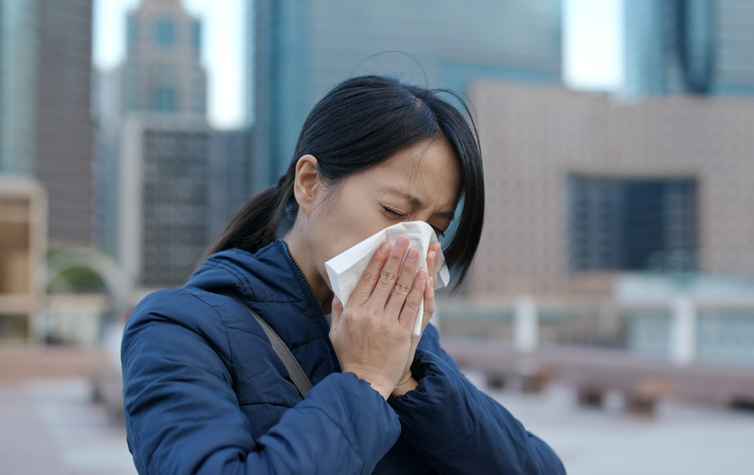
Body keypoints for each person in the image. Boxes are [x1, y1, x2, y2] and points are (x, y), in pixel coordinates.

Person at [122, 75, 566, 474]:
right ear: (310, 183)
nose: (411, 242)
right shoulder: (177, 329)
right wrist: (367, 381)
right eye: (394, 211)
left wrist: (410, 380)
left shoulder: (407, 343)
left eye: (435, 229)